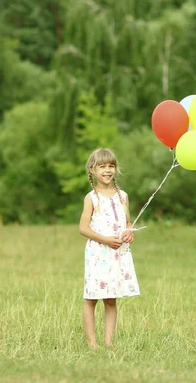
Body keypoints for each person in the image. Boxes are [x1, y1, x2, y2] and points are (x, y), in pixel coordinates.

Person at [78, 148, 140, 348]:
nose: (107, 170)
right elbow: (83, 228)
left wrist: (129, 231)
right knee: (92, 297)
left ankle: (109, 342)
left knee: (111, 298)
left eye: (111, 166)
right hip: (99, 253)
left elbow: (128, 222)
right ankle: (92, 343)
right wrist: (104, 239)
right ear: (92, 170)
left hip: (116, 254)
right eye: (102, 166)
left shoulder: (123, 196)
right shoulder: (92, 198)